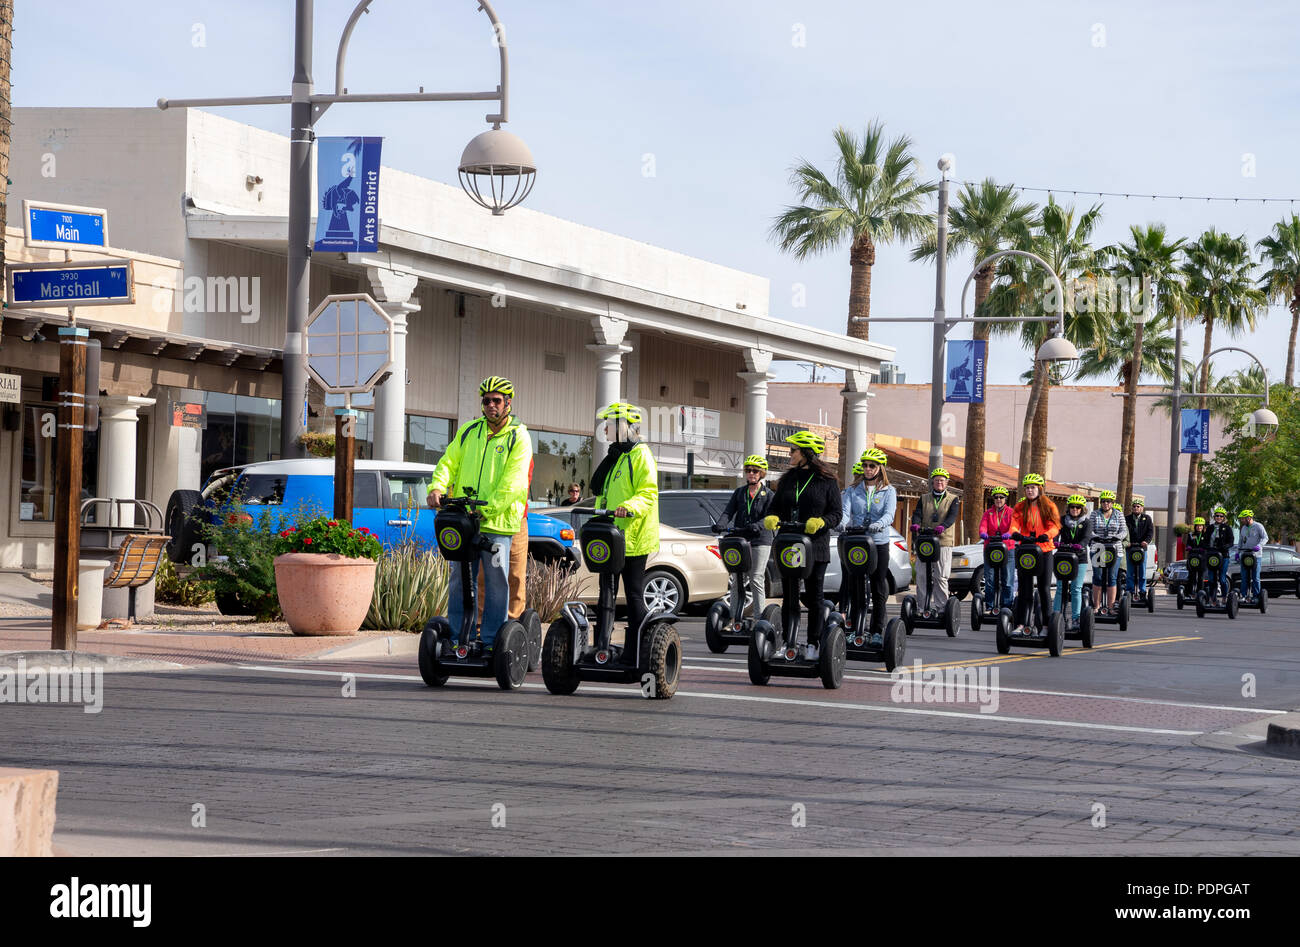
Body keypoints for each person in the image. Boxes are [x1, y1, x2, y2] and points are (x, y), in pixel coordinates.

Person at [428, 376, 532, 650]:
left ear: (508, 403)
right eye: (486, 401)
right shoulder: (469, 431)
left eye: (496, 400)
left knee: (497, 583)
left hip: (497, 523)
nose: (490, 406)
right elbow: (448, 461)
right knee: (459, 579)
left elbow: (515, 481)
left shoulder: (518, 436)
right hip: (466, 522)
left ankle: (490, 643)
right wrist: (437, 486)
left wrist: (488, 508)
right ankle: (456, 638)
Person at [762, 431, 842, 660]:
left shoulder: (828, 481)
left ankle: (814, 644)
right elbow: (774, 508)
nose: (790, 454)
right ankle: (788, 642)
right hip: (789, 546)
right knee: (789, 596)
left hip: (815, 547)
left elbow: (836, 514)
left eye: (793, 451)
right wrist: (772, 518)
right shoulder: (787, 480)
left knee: (814, 597)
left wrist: (821, 522)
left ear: (806, 453)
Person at [591, 402, 660, 663]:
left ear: (624, 427)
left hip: (633, 537)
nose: (605, 428)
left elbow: (648, 492)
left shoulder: (641, 455)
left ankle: (640, 649)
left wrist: (628, 507)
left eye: (610, 423)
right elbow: (600, 490)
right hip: (610, 536)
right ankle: (602, 647)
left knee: (632, 594)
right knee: (605, 592)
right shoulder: (618, 456)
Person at [847, 447, 897, 637]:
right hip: (858, 541)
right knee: (857, 586)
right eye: (865, 465)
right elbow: (845, 513)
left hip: (878, 542)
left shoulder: (889, 491)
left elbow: (890, 514)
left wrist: (879, 524)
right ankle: (856, 628)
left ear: (880, 468)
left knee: (878, 587)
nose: (867, 469)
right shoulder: (853, 490)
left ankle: (877, 630)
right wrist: (842, 525)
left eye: (872, 466)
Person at [717, 455, 775, 618]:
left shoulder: (769, 494)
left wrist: (758, 525)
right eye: (748, 470)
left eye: (755, 471)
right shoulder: (740, 492)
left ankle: (759, 620)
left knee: (756, 578)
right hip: (741, 540)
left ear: (762, 473)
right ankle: (734, 619)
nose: (751, 473)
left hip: (760, 540)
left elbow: (770, 516)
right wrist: (721, 524)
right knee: (737, 581)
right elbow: (729, 511)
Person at [1010, 473, 1060, 633]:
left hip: (1044, 550)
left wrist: (1047, 535)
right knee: (1024, 589)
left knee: (1044, 589)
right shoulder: (1020, 506)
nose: (1030, 491)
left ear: (1040, 489)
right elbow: (1014, 523)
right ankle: (1020, 624)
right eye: (1027, 488)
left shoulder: (1049, 505)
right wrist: (1015, 533)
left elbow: (1055, 526)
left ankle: (1046, 626)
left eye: (1033, 487)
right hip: (1026, 550)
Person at [910, 467, 960, 618]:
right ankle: (921, 608)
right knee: (921, 575)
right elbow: (917, 514)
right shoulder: (924, 498)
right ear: (932, 482)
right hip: (925, 541)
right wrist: (916, 524)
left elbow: (952, 517)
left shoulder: (953, 499)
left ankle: (942, 609)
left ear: (946, 483)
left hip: (943, 542)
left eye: (942, 480)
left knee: (940, 576)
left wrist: (942, 527)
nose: (939, 483)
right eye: (937, 480)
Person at [1054, 495, 1093, 629]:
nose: (1075, 509)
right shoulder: (1062, 520)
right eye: (1072, 507)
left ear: (1082, 509)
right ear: (1068, 508)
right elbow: (1055, 532)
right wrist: (1054, 541)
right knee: (1060, 588)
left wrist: (1081, 545)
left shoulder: (1087, 523)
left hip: (1079, 558)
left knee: (1076, 588)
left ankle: (1076, 618)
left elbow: (1087, 537)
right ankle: (1056, 616)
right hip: (1063, 557)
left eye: (1077, 507)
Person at [1088, 490, 1128, 614]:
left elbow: (1123, 530)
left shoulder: (1119, 514)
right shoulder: (1094, 514)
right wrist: (1095, 536)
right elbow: (1090, 529)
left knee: (1112, 577)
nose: (1105, 504)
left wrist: (1118, 537)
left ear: (1112, 503)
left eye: (1108, 501)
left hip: (1115, 549)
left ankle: (1110, 608)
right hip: (1098, 548)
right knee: (1098, 577)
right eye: (1103, 501)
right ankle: (1096, 606)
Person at [978, 485, 1017, 610]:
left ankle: (1006, 606)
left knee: (1007, 579)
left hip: (1008, 549)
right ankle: (990, 606)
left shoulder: (1011, 512)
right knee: (989, 580)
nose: (998, 499)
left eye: (1001, 497)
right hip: (990, 548)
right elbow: (983, 526)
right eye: (996, 497)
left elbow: (1014, 527)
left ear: (1005, 499)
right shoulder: (988, 513)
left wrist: (1009, 534)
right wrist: (983, 533)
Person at [1124, 495, 1154, 599]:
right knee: (1130, 572)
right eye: (1134, 506)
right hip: (1130, 548)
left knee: (1142, 571)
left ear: (1142, 508)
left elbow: (1150, 532)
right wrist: (1127, 542)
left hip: (1142, 548)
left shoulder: (1147, 518)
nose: (1136, 508)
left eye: (1138, 506)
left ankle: (1142, 591)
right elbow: (1124, 532)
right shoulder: (1126, 519)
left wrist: (1146, 541)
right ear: (1132, 508)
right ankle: (1130, 591)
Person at [1236, 509, 1269, 600]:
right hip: (1245, 555)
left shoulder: (1258, 526)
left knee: (1255, 577)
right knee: (1244, 577)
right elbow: (1240, 541)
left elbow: (1265, 538)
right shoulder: (1243, 528)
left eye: (1243, 518)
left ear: (1249, 518)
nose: (1241, 520)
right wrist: (1237, 553)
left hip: (1256, 556)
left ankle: (1256, 596)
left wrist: (1259, 546)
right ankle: (1243, 595)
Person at [1205, 506, 1235, 599]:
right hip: (1212, 555)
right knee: (1211, 579)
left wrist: (1224, 547)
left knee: (1222, 579)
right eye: (1217, 516)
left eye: (1221, 516)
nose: (1219, 517)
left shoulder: (1227, 528)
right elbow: (1205, 541)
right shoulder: (1210, 528)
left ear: (1224, 518)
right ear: (1214, 517)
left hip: (1223, 556)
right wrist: (1207, 548)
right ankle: (1212, 598)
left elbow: (1231, 542)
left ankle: (1224, 597)